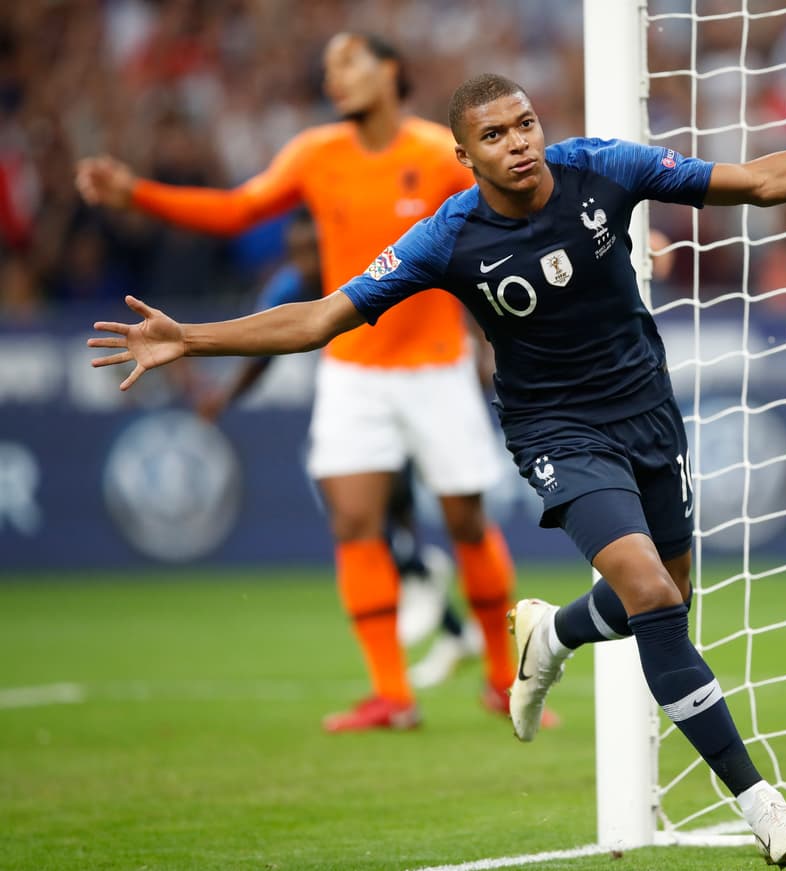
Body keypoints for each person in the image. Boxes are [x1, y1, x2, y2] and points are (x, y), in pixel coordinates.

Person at [87, 69, 786, 865]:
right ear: (464, 155)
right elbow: (322, 316)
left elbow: (755, 182)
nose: (518, 143)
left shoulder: (606, 167)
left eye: (524, 124)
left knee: (662, 593)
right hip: (557, 432)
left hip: (646, 415)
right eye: (495, 135)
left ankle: (549, 635)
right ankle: (761, 804)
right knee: (655, 597)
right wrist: (190, 337)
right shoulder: (447, 237)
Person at [76, 33, 521, 732]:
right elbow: (237, 209)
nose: (333, 74)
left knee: (466, 521)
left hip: (436, 364)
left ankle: (504, 682)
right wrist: (137, 192)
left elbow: (508, 215)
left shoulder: (439, 152)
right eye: (329, 64)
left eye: (350, 61)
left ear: (391, 71)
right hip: (351, 369)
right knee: (352, 521)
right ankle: (391, 695)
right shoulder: (317, 153)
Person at [191, 211, 481, 667]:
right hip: (368, 409)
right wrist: (226, 394)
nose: (305, 261)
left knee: (388, 508)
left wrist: (477, 351)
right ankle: (435, 599)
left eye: (313, 250)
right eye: (297, 251)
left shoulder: (378, 269)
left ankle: (428, 586)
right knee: (358, 505)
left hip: (421, 390)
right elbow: (262, 351)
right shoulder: (292, 287)